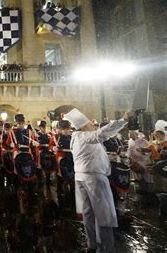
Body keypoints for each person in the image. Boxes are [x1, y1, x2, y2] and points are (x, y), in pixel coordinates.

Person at [65, 108, 133, 253]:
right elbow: (101, 133)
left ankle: (92, 245)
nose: (92, 124)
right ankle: (106, 248)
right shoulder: (84, 136)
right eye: (89, 123)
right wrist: (124, 119)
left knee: (88, 213)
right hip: (94, 178)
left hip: (81, 177)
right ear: (84, 126)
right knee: (104, 214)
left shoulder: (76, 138)